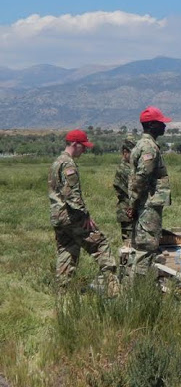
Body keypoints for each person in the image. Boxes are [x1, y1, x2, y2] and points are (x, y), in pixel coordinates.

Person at [47, 129, 118, 292]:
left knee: (67, 251)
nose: (84, 150)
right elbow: (72, 194)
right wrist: (85, 215)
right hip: (71, 216)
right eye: (83, 146)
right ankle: (112, 287)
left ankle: (62, 292)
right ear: (74, 144)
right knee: (100, 244)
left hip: (58, 217)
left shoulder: (56, 162)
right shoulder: (68, 164)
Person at [126, 107, 172, 277]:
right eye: (161, 123)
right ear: (152, 125)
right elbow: (142, 177)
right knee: (147, 247)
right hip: (148, 204)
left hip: (144, 203)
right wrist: (133, 203)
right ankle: (139, 288)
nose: (164, 126)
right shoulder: (149, 147)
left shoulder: (143, 144)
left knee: (140, 245)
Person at [113, 136, 136, 247]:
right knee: (129, 242)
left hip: (130, 208)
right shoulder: (124, 168)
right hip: (127, 209)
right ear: (125, 152)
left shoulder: (130, 167)